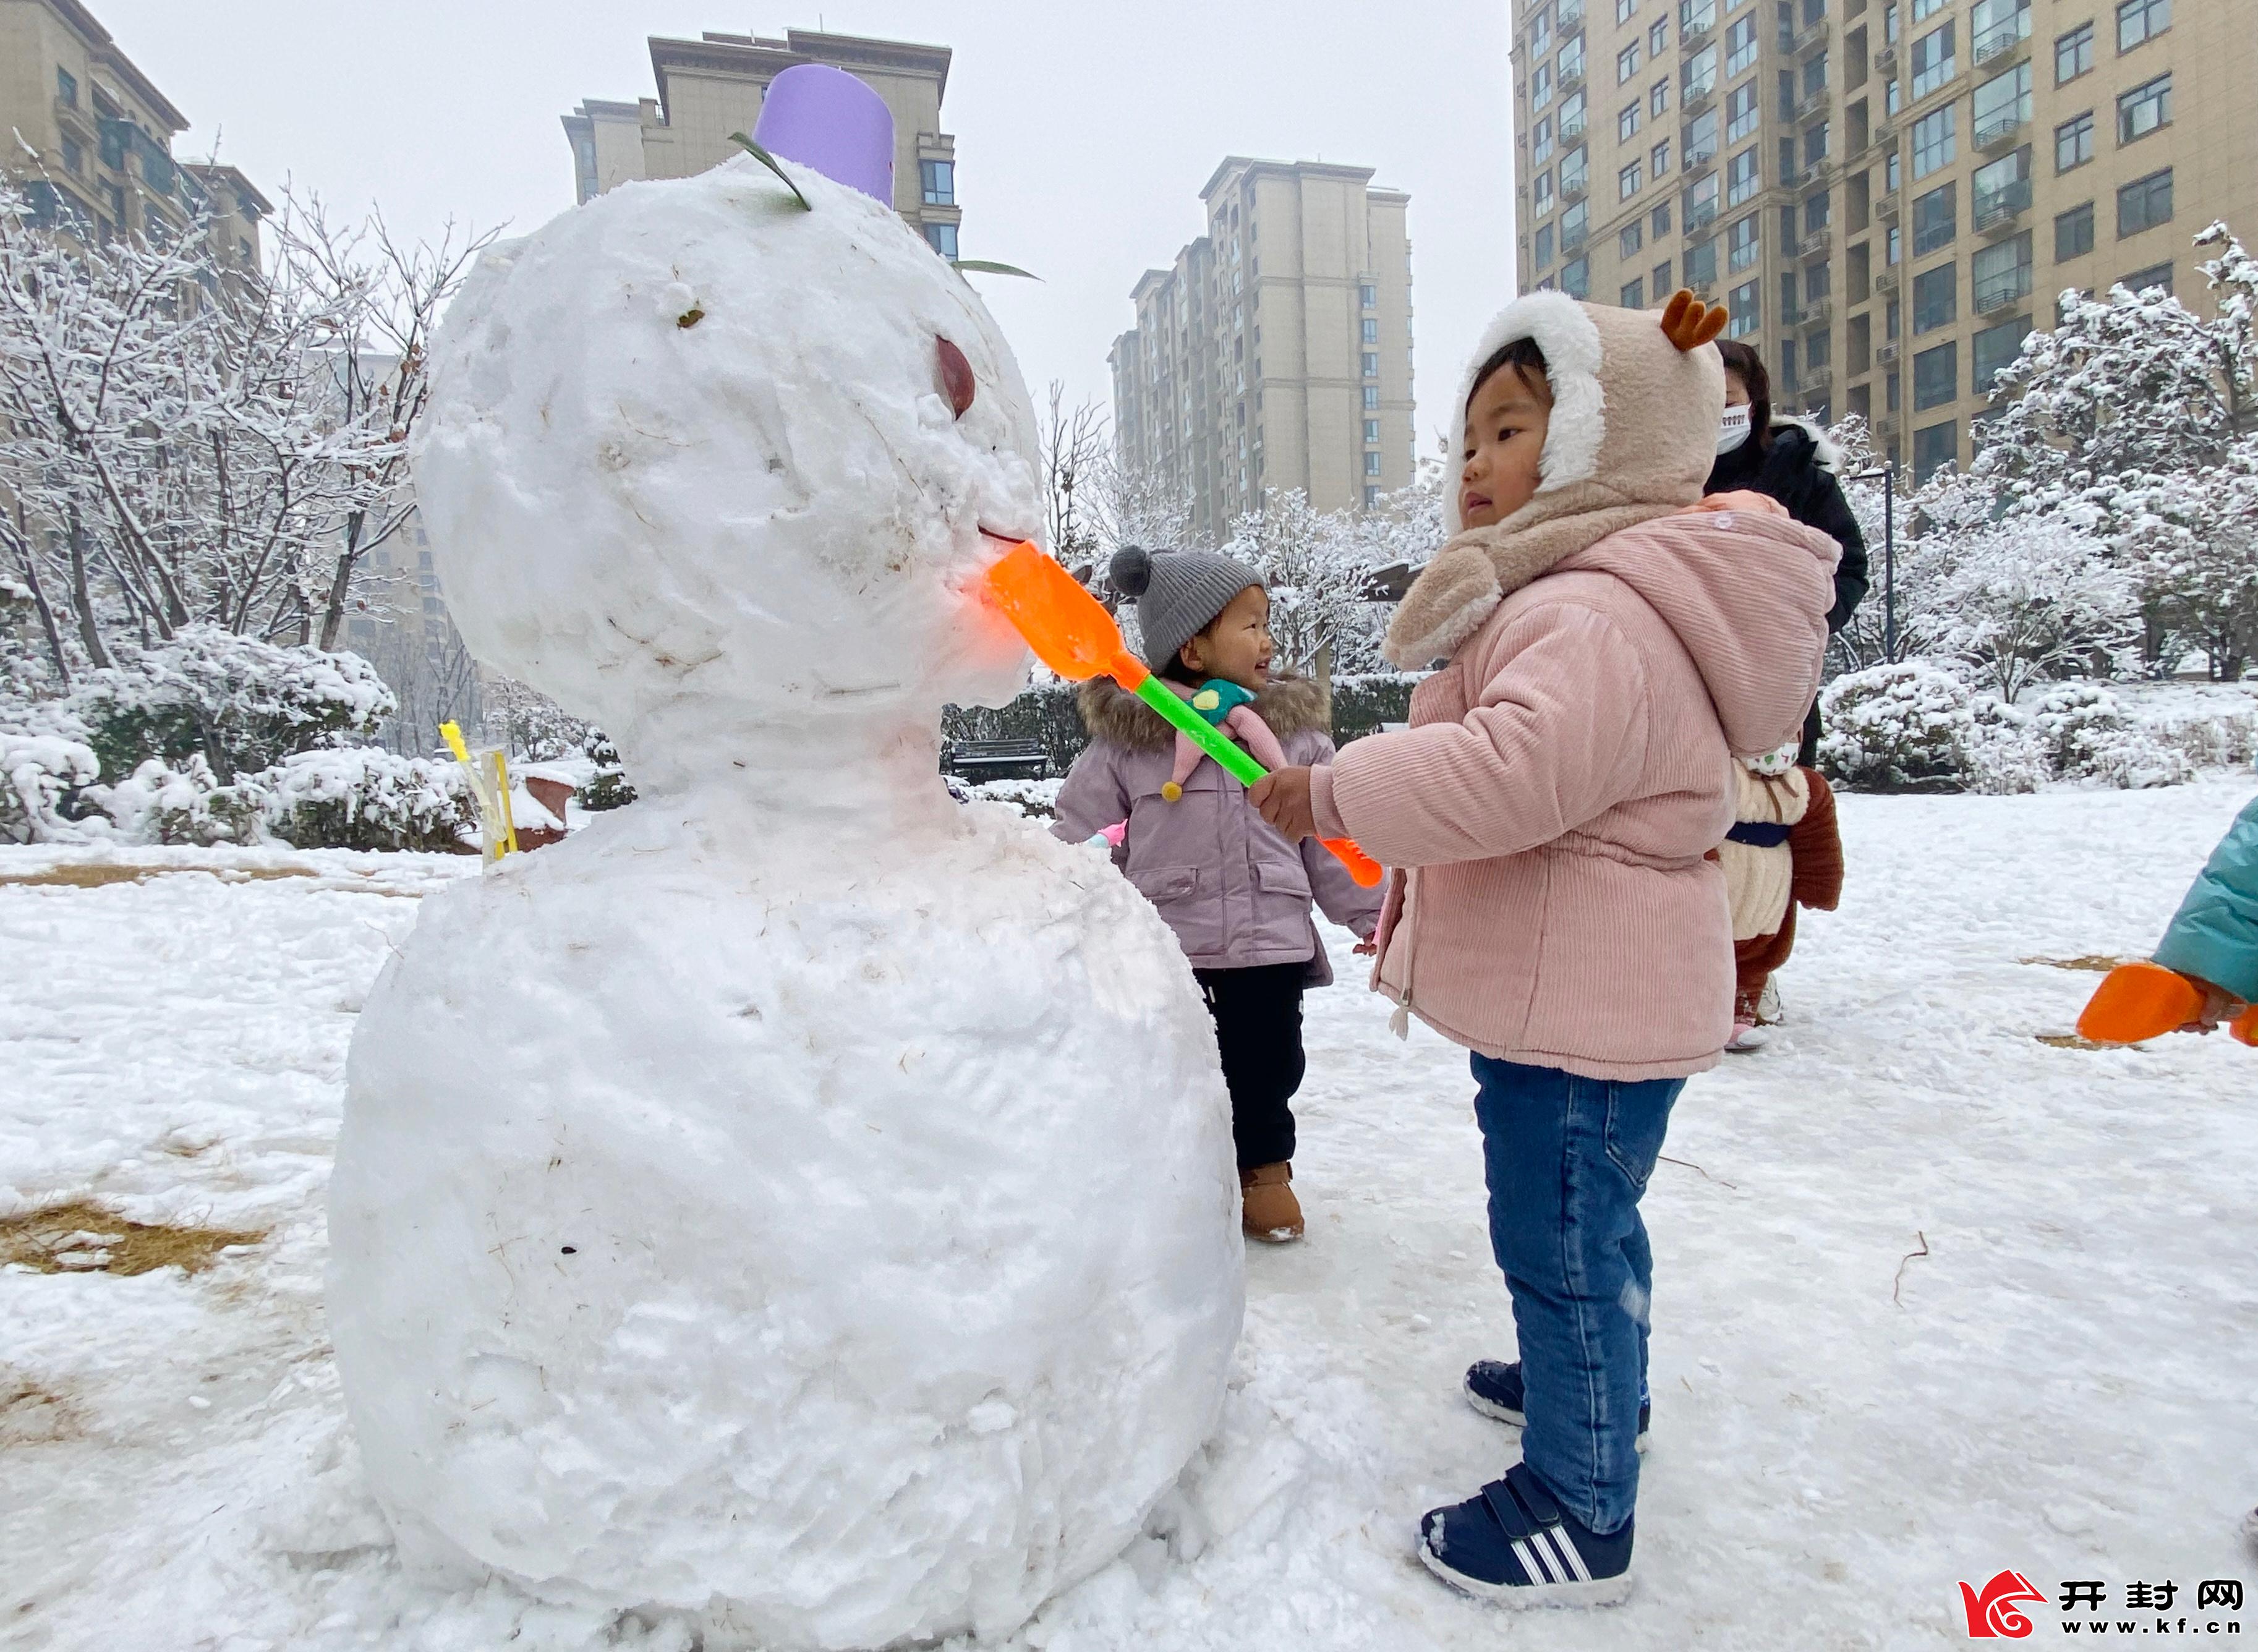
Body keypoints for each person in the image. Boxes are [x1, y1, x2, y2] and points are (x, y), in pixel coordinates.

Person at [1251, 291, 1837, 1606]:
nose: (1472, 462)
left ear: (1599, 446)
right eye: (1466, 434)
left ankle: (1580, 1505)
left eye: (1511, 428)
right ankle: (1593, 1395)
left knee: (1561, 1235)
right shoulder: (1595, 593)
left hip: (1586, 1007)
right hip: (1588, 994)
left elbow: (1510, 772)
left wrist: (1336, 790)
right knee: (1588, 1227)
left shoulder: (1593, 611)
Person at [1052, 545, 1382, 1243]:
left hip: (1270, 939)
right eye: (1249, 625)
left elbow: (1332, 841)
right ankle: (1183, 1180)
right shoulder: (1127, 744)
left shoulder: (1296, 741)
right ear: (1193, 648)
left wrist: (1374, 910)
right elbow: (1078, 835)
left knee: (1268, 1066)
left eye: (1268, 624)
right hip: (1171, 948)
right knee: (1177, 1070)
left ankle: (1264, 1172)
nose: (1267, 640)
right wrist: (1055, 903)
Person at [1705, 339, 1870, 769]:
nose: (1715, 412)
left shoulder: (1800, 476)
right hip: (1690, 692)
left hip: (1781, 694)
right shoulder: (1662, 481)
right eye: (1701, 398)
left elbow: (1849, 566)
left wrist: (1803, 630)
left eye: (1727, 400)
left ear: (1754, 401)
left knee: (1782, 820)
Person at [1716, 739, 1844, 1052]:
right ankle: (1689, 1012)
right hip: (1718, 871)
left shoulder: (1805, 787)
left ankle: (1740, 1016)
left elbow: (1818, 840)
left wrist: (1821, 886)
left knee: (1758, 955)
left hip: (1771, 884)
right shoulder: (1716, 774)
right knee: (1697, 946)